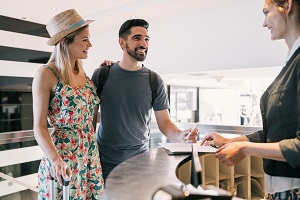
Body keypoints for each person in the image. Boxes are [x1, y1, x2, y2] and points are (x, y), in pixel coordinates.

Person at [201, 0, 300, 199]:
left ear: (287, 5)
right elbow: (275, 133)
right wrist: (230, 141)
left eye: (266, 13)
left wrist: (244, 148)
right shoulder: (291, 61)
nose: (264, 23)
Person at [91, 19, 198, 181]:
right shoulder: (102, 75)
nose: (144, 43)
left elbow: (165, 124)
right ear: (122, 42)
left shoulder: (154, 80)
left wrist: (182, 135)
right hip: (104, 162)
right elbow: (89, 119)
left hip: (139, 162)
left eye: (146, 39)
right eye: (137, 38)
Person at [32, 9, 104, 199]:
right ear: (65, 42)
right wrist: (55, 159)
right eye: (84, 39)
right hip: (63, 157)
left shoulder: (83, 74)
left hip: (89, 155)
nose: (90, 44)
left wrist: (107, 70)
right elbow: (39, 127)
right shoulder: (45, 75)